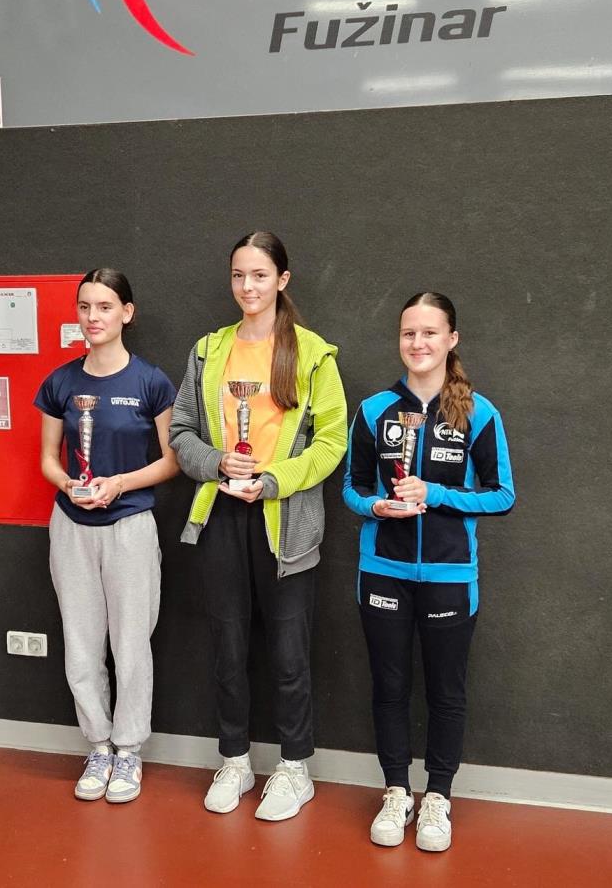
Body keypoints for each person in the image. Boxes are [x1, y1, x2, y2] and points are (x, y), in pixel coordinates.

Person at [170, 231, 347, 821]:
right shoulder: (207, 351)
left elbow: (331, 444)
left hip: (286, 523)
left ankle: (295, 769)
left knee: (290, 655)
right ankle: (235, 760)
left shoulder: (314, 354)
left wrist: (272, 481)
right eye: (238, 275)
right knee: (228, 648)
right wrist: (217, 463)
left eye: (260, 275)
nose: (248, 287)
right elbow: (181, 432)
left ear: (282, 280)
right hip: (220, 516)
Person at [343, 292, 515, 851]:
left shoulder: (478, 413)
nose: (417, 343)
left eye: (429, 333)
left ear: (451, 339)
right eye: (408, 333)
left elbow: (503, 495)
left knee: (446, 691)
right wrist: (377, 507)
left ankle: (438, 796)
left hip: (449, 575)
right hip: (383, 571)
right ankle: (396, 792)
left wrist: (436, 494)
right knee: (389, 687)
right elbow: (351, 487)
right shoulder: (374, 410)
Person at [35, 268, 178, 804]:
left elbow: (171, 462)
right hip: (72, 527)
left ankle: (129, 750)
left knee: (131, 644)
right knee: (81, 644)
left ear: (127, 313)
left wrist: (118, 484)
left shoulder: (151, 382)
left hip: (130, 526)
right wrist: (69, 485)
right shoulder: (60, 383)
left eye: (104, 307)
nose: (92, 317)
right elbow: (49, 460)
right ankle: (98, 745)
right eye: (85, 307)